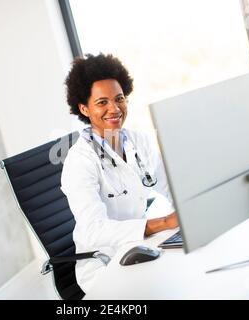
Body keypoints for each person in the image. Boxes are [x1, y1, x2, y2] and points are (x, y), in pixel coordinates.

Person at [61, 53, 178, 293]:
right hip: (105, 263)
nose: (114, 109)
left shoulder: (138, 141)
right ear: (84, 108)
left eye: (119, 98)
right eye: (102, 102)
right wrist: (164, 222)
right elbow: (94, 230)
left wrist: (188, 210)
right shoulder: (80, 161)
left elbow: (171, 186)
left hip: (140, 246)